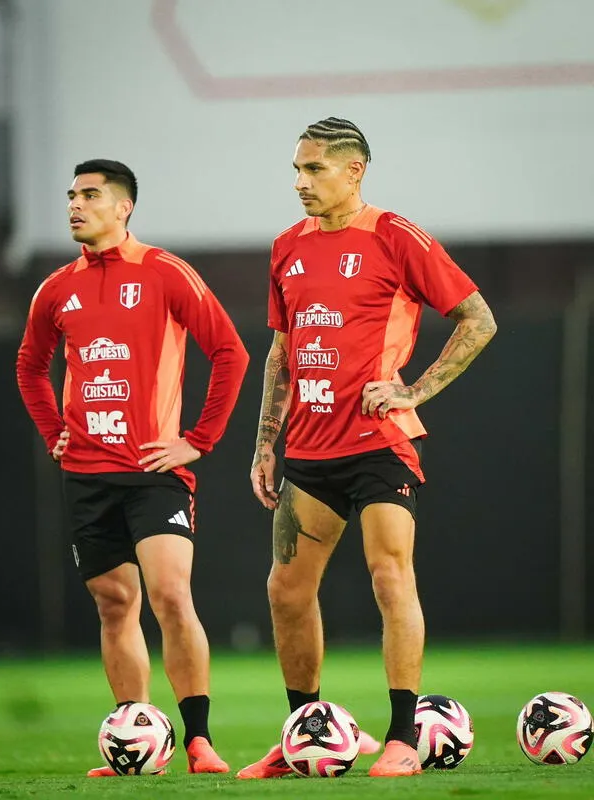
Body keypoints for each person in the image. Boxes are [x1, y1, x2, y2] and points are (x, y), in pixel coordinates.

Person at [238, 118, 497, 780]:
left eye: (314, 170)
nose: (300, 183)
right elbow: (281, 352)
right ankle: (305, 734)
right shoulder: (285, 248)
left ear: (355, 170)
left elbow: (478, 318)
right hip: (310, 451)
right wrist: (267, 444)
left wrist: (414, 390)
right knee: (287, 592)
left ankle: (404, 737)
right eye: (295, 170)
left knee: (390, 577)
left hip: (379, 443)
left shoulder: (393, 236)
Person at [17, 159, 249, 777]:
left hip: (154, 470)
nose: (76, 204)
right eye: (71, 195)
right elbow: (30, 366)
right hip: (87, 475)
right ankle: (136, 735)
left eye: (90, 195)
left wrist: (198, 438)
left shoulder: (165, 272)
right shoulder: (56, 288)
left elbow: (230, 351)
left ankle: (198, 741)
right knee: (114, 603)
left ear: (124, 207)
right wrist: (53, 433)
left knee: (171, 594)